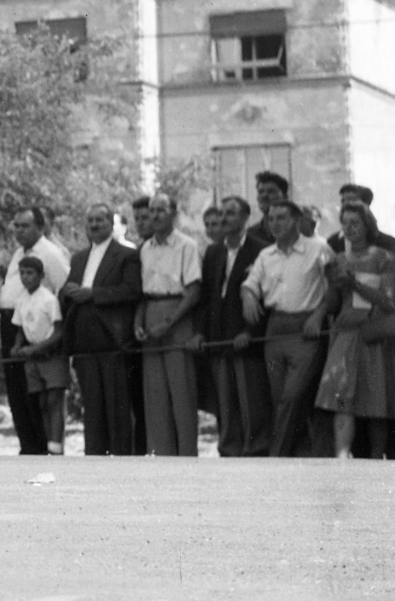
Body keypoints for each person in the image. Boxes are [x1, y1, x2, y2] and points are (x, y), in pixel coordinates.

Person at [242, 199, 332, 458]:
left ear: (295, 220)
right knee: (279, 396)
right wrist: (248, 295)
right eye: (271, 218)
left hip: (305, 331)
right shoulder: (266, 255)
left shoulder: (318, 248)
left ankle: (276, 455)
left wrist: (318, 315)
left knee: (292, 396)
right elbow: (250, 284)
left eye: (281, 218)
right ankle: (302, 454)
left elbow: (334, 290)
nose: (275, 224)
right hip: (275, 330)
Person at [61, 203, 143, 456]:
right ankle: (93, 460)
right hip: (84, 341)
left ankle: (120, 462)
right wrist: (68, 292)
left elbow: (131, 291)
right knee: (92, 409)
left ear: (111, 224)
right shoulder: (78, 258)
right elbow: (69, 290)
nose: (94, 225)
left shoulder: (126, 254)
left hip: (112, 341)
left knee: (117, 408)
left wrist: (92, 294)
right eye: (90, 221)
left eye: (100, 220)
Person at [315, 199, 395, 459]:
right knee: (341, 397)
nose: (350, 228)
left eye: (355, 223)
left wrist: (357, 284)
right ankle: (342, 455)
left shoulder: (383, 257)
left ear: (367, 224)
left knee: (375, 399)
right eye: (345, 223)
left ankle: (376, 457)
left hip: (373, 332)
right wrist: (334, 286)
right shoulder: (338, 259)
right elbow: (333, 302)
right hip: (346, 333)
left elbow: (388, 301)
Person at [197, 196, 270, 457]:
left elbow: (266, 298)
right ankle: (228, 451)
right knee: (225, 401)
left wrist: (251, 332)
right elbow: (206, 297)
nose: (225, 218)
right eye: (223, 213)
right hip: (219, 337)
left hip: (246, 337)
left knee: (251, 399)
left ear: (245, 217)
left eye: (231, 213)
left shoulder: (261, 249)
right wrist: (200, 332)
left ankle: (256, 450)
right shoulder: (214, 251)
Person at [135, 193, 203, 457]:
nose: (155, 216)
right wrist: (139, 323)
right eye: (151, 211)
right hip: (151, 313)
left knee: (181, 391)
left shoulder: (187, 246)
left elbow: (194, 291)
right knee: (155, 394)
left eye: (160, 211)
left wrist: (169, 322)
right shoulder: (145, 249)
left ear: (173, 213)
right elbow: (143, 292)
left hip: (178, 314)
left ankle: (186, 456)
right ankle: (160, 454)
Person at [0, 207, 70, 455]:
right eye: (16, 226)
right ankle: (28, 446)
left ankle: (46, 446)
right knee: (20, 393)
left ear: (40, 227)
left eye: (25, 226)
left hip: (42, 332)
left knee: (45, 397)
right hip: (16, 325)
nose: (19, 231)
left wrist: (50, 338)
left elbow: (64, 288)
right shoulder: (19, 253)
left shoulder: (50, 253)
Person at [11, 256, 66, 455]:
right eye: (22, 273)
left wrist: (39, 348)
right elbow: (20, 328)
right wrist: (17, 346)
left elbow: (59, 331)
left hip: (50, 354)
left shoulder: (48, 299)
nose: (26, 278)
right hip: (32, 356)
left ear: (41, 276)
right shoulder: (21, 299)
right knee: (41, 401)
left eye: (30, 273)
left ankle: (56, 446)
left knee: (54, 400)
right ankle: (47, 443)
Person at [248, 171, 290, 247]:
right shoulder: (250, 235)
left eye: (271, 192)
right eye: (260, 192)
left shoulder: (295, 232)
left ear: (285, 197)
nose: (264, 196)